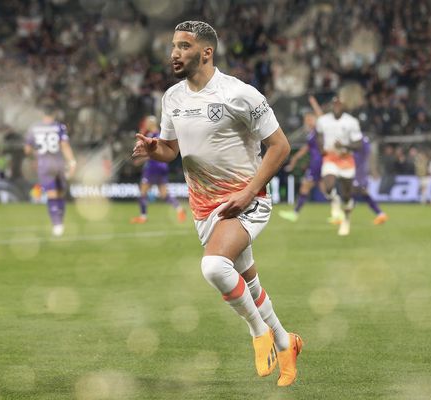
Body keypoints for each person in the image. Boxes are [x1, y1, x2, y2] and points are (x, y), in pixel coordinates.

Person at [132, 21, 302, 386]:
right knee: (248, 280)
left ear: (206, 52)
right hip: (204, 206)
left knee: (214, 267)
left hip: (245, 201)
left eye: (184, 46)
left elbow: (280, 146)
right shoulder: (173, 97)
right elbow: (171, 149)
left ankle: (261, 333)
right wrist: (152, 150)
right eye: (173, 46)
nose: (175, 53)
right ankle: (288, 342)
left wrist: (248, 192)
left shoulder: (241, 94)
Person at [24, 104, 76, 236]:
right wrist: (72, 161)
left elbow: (27, 150)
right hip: (58, 163)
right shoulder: (59, 126)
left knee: (51, 194)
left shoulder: (34, 127)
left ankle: (57, 225)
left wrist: (36, 155)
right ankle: (59, 223)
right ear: (54, 114)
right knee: (59, 193)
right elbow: (64, 145)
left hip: (44, 164)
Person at [315, 96, 363, 236]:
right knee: (328, 185)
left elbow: (358, 144)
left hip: (346, 159)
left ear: (344, 106)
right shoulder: (323, 120)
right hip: (330, 157)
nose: (336, 107)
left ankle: (346, 220)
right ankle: (335, 201)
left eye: (339, 104)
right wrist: (321, 147)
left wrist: (344, 145)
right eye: (334, 104)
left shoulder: (351, 122)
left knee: (347, 195)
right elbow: (319, 135)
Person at [130, 115, 186, 224]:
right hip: (162, 166)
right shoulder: (160, 134)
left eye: (147, 122)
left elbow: (151, 153)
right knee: (164, 194)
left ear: (151, 123)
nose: (146, 124)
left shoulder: (152, 136)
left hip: (153, 167)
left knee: (143, 192)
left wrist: (140, 160)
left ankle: (143, 216)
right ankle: (179, 209)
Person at [278, 111, 321, 222]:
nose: (307, 122)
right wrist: (295, 158)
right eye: (306, 120)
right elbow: (306, 148)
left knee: (306, 186)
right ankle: (338, 211)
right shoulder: (311, 133)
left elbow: (321, 117)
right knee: (323, 187)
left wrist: (314, 103)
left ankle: (295, 213)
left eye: (309, 119)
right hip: (316, 162)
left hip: (318, 162)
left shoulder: (319, 131)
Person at [353, 136, 388, 224]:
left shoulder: (361, 141)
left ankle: (380, 214)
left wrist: (373, 170)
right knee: (359, 193)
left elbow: (370, 156)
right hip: (356, 170)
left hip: (359, 172)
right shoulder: (361, 140)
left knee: (357, 192)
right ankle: (380, 214)